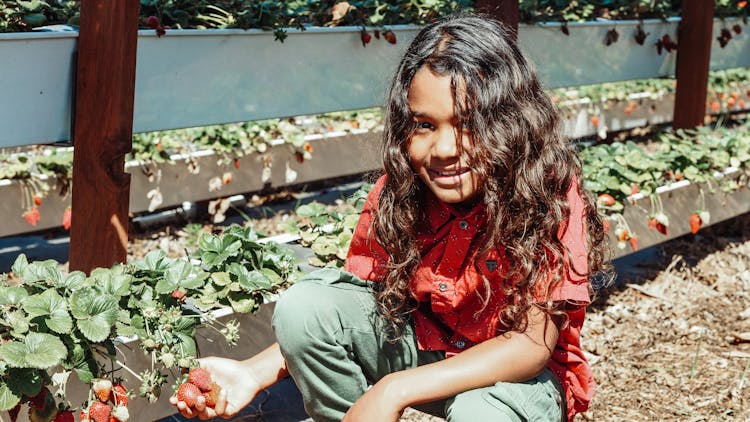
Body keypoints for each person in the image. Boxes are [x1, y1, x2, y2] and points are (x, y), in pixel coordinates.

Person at [170, 13, 611, 422]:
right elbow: (364, 306)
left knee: (482, 413)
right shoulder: (402, 190)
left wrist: (392, 389)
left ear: (512, 122)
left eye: (469, 123)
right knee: (306, 307)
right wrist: (253, 372)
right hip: (428, 347)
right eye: (423, 124)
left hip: (517, 382)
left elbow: (531, 348)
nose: (443, 149)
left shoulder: (545, 193)